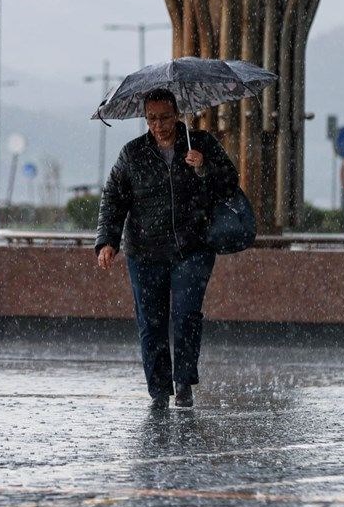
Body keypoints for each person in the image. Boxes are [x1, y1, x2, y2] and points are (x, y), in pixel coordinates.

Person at [95, 88, 239, 410]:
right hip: (145, 250)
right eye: (151, 119)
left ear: (177, 113)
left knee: (186, 315)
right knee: (151, 321)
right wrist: (107, 241)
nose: (158, 125)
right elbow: (114, 199)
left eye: (164, 117)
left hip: (193, 247)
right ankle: (159, 390)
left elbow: (230, 182)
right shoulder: (132, 154)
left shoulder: (200, 144)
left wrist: (204, 168)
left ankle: (184, 381)